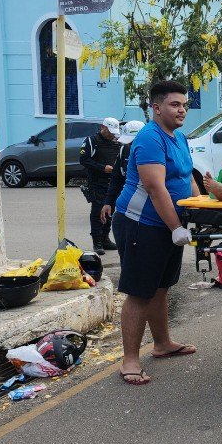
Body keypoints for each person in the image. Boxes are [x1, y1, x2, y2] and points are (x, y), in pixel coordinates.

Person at [113, 82, 199, 386]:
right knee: (139, 292)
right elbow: (154, 187)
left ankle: (162, 344)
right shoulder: (150, 138)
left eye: (185, 105)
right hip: (141, 224)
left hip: (168, 224)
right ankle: (130, 361)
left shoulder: (179, 137)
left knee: (161, 287)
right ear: (156, 107)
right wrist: (176, 227)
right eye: (175, 104)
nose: (181, 110)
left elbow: (186, 179)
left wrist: (198, 211)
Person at [80, 117, 122, 255]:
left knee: (110, 210)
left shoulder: (117, 141)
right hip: (97, 182)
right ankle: (97, 241)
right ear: (102, 127)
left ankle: (105, 239)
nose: (111, 135)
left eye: (113, 132)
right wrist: (103, 168)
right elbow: (84, 160)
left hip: (113, 182)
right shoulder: (91, 141)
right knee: (98, 211)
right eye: (109, 131)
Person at [99, 120, 144, 243]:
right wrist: (108, 202)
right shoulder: (124, 150)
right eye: (129, 141)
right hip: (125, 207)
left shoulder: (154, 154)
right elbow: (116, 178)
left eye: (134, 141)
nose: (131, 145)